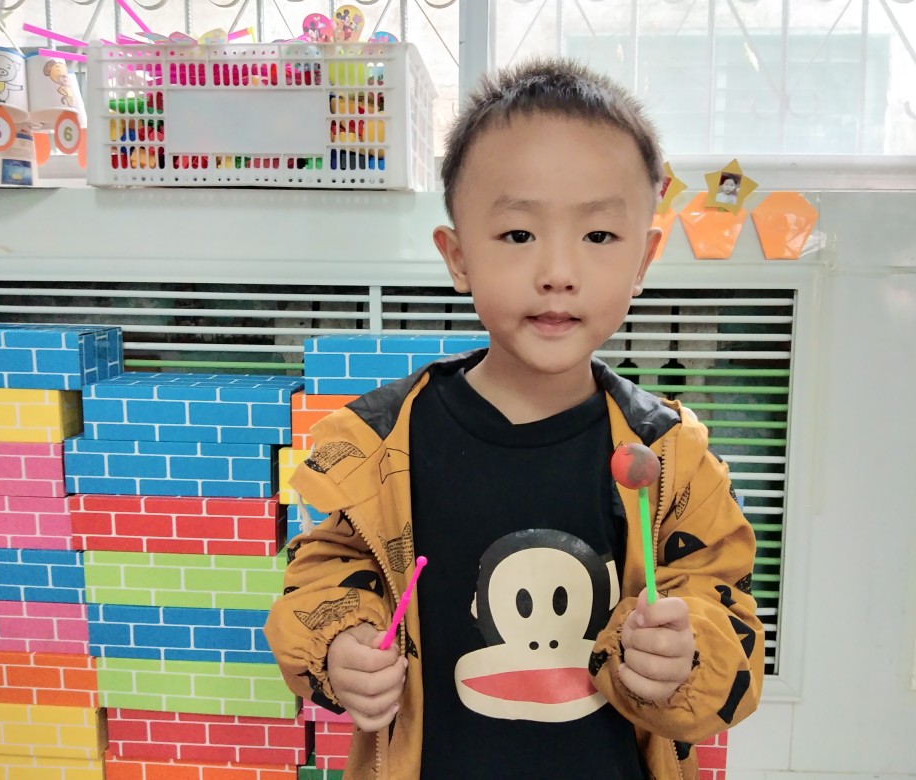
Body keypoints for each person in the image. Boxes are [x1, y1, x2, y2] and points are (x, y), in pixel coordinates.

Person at [264, 58, 765, 780]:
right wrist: (339, 644)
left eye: (599, 236)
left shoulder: (671, 459)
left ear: (643, 260)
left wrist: (687, 657)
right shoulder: (382, 446)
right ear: (458, 257)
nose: (558, 271)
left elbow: (729, 615)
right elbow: (323, 573)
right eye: (519, 235)